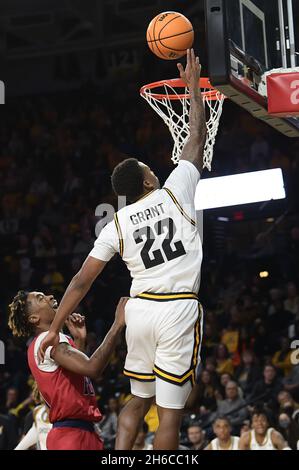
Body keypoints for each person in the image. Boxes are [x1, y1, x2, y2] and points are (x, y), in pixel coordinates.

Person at [37, 48, 207, 451]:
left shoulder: (114, 222)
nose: (155, 169)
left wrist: (56, 327)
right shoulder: (174, 191)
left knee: (139, 398)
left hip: (138, 311)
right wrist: (194, 90)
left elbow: (80, 280)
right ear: (148, 181)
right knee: (170, 413)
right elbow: (196, 139)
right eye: (151, 168)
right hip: (175, 307)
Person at [8, 290, 127, 450]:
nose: (50, 297)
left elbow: (75, 380)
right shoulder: (45, 340)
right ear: (34, 318)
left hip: (83, 431)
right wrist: (117, 325)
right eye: (40, 298)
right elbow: (93, 368)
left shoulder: (58, 342)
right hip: (70, 435)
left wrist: (79, 340)